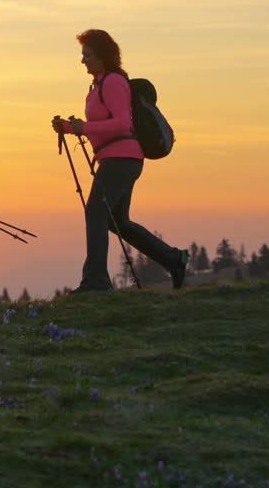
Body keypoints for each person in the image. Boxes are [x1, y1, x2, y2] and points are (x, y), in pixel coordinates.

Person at [51, 29, 189, 292]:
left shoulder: (114, 82)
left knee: (96, 212)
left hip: (121, 158)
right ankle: (174, 259)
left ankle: (96, 281)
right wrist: (68, 127)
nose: (83, 61)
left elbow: (122, 123)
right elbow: (97, 124)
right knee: (118, 221)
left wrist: (82, 128)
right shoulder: (99, 85)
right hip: (119, 159)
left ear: (102, 55)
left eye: (87, 55)